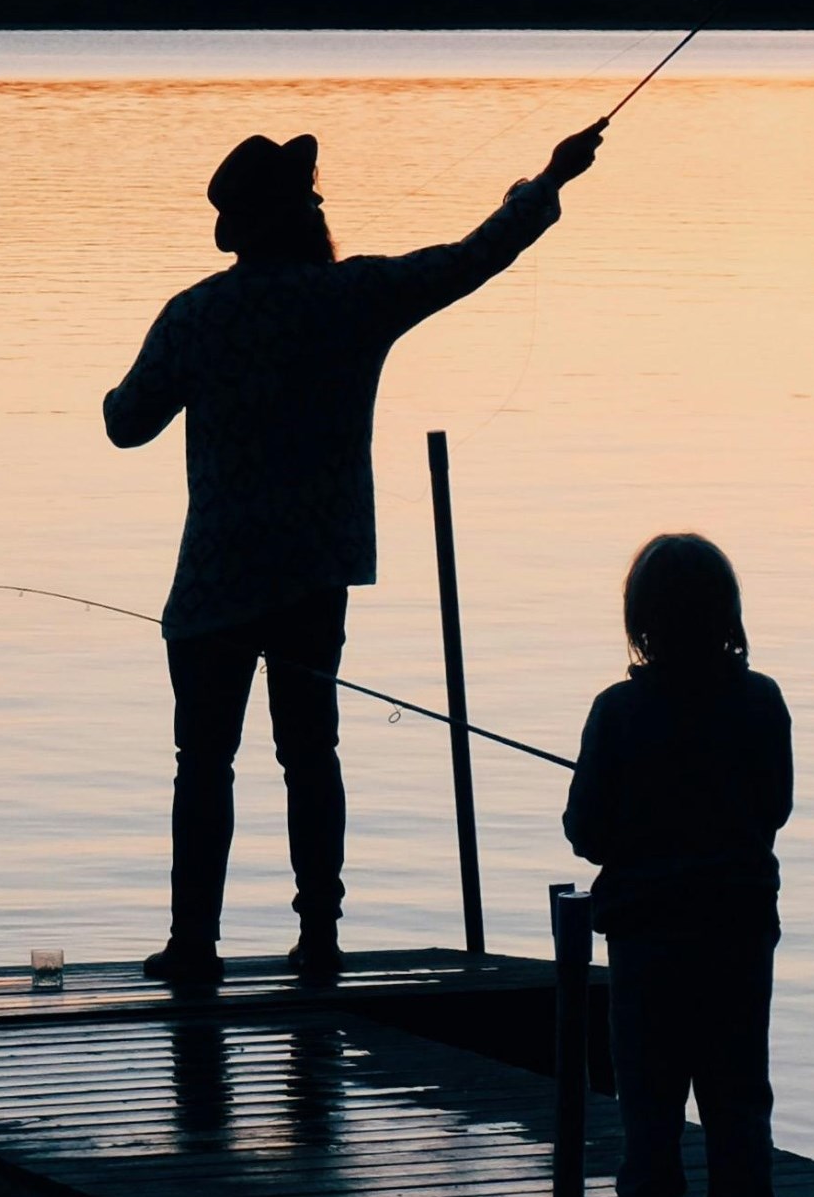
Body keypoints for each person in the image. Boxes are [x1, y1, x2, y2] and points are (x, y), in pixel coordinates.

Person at [106, 119, 605, 986]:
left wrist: (142, 380)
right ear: (304, 216)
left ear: (236, 230)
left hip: (214, 584)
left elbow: (124, 424)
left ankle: (194, 944)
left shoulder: (193, 315)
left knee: (203, 765)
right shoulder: (354, 299)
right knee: (311, 755)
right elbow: (473, 257)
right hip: (312, 577)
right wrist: (550, 181)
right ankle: (321, 937)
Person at [562, 533, 793, 1197]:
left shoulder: (618, 712)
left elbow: (585, 831)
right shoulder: (761, 701)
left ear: (642, 622)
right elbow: (774, 809)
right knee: (738, 1093)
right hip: (736, 936)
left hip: (648, 940)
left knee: (650, 1098)